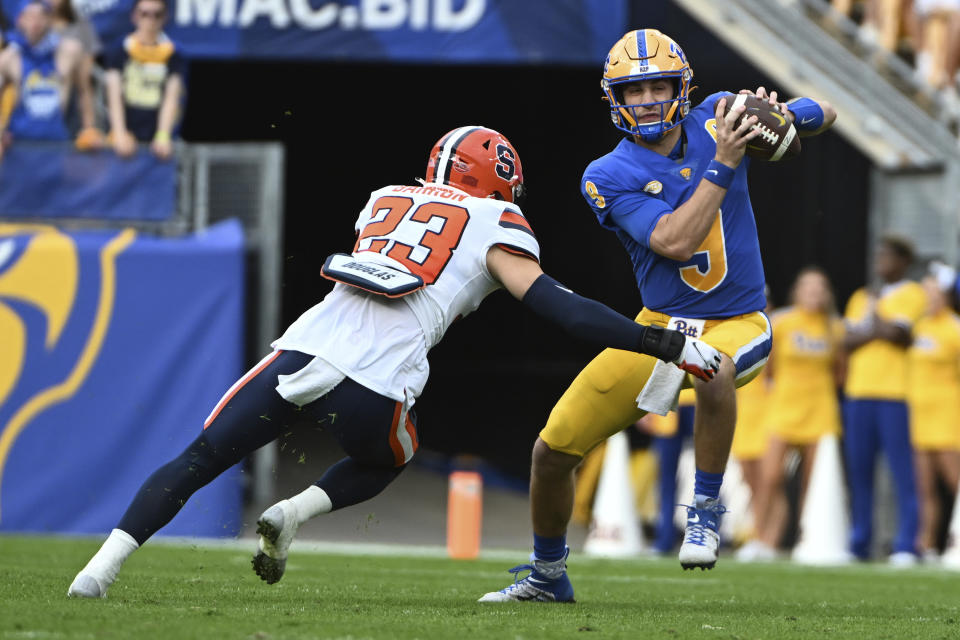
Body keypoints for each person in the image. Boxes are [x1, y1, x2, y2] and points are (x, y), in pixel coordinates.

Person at [67, 125, 722, 599]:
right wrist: (665, 343)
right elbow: (564, 310)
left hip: (303, 349)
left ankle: (96, 572)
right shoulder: (498, 221)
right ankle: (294, 514)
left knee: (200, 458)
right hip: (375, 380)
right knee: (390, 458)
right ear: (498, 180)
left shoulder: (385, 198)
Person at [480, 28, 837, 603]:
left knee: (714, 367)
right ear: (614, 100)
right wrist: (724, 159)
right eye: (634, 89)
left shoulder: (719, 116)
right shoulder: (605, 173)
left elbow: (827, 110)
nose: (646, 98)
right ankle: (548, 575)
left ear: (682, 86)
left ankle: (704, 510)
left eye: (658, 85)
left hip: (739, 319)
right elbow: (673, 239)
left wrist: (780, 117)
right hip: (658, 327)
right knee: (552, 452)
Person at [739, 268, 843, 561]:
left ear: (827, 294)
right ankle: (760, 538)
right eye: (808, 288)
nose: (814, 293)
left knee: (814, 480)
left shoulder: (835, 328)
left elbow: (840, 371)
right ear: (798, 291)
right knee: (770, 477)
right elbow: (767, 367)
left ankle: (807, 539)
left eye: (820, 288)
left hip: (821, 409)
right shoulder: (781, 322)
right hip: (783, 408)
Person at [843, 235, 926, 565]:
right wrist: (877, 328)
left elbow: (898, 336)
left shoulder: (912, 294)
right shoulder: (860, 296)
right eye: (879, 254)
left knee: (903, 472)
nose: (881, 261)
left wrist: (876, 315)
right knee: (859, 472)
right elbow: (847, 342)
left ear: (904, 261)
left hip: (896, 395)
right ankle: (860, 541)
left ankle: (907, 543)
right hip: (859, 392)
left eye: (889, 255)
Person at [908, 263, 960, 561]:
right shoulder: (920, 327)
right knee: (924, 485)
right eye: (925, 292)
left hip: (948, 414)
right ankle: (926, 546)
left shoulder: (954, 327)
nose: (928, 298)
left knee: (955, 481)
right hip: (921, 414)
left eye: (934, 292)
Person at [0, 0, 83, 161]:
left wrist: (88, 129)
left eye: (41, 15)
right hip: (19, 144)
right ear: (20, 20)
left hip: (56, 142)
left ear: (50, 19)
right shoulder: (9, 57)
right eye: (30, 16)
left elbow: (84, 94)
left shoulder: (68, 51)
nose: (36, 22)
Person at [103, 0, 183, 160]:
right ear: (134, 16)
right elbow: (113, 94)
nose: (150, 20)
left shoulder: (173, 53)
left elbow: (172, 97)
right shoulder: (120, 49)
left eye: (157, 14)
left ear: (165, 17)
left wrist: (163, 135)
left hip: (156, 137)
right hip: (126, 133)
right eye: (144, 14)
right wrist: (120, 133)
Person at [50, 0, 103, 149]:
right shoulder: (34, 23)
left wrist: (89, 127)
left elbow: (85, 83)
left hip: (72, 97)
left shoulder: (80, 25)